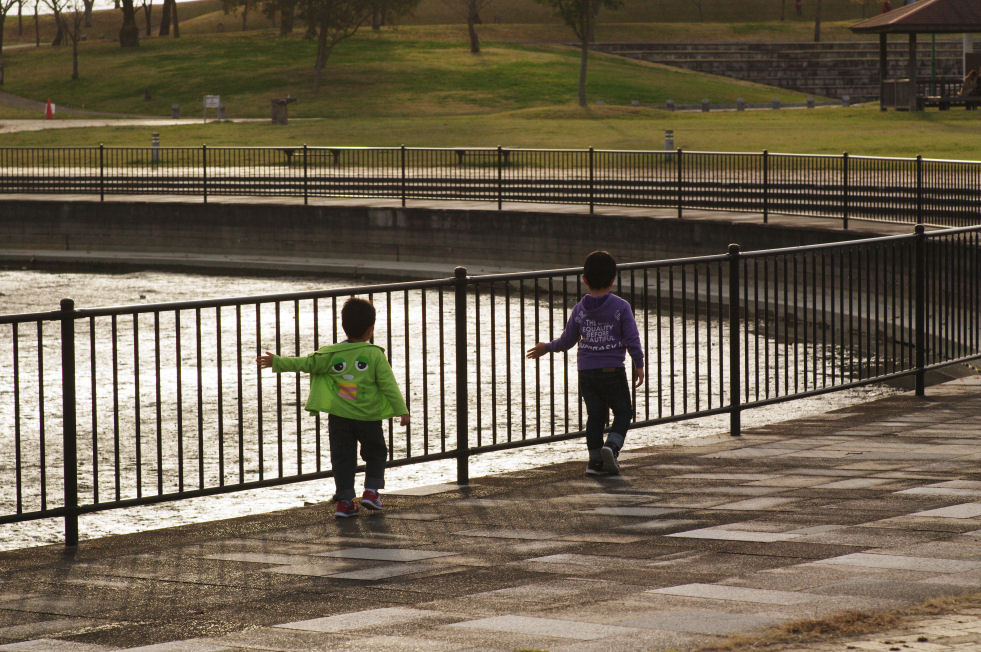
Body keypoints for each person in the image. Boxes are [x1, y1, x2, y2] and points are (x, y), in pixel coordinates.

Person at [257, 297, 409, 518]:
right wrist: (401, 410)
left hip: (340, 418)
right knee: (376, 452)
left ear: (344, 326)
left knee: (342, 458)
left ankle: (346, 501)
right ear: (371, 329)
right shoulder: (374, 354)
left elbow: (306, 363)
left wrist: (278, 362)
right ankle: (371, 491)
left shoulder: (331, 354)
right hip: (368, 417)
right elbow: (388, 385)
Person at [526, 250, 644, 477]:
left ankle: (594, 462)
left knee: (596, 416)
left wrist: (546, 347)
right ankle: (612, 447)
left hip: (587, 373)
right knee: (624, 412)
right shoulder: (621, 307)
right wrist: (638, 363)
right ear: (613, 279)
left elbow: (567, 341)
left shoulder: (579, 310)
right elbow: (632, 339)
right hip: (613, 370)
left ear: (584, 279)